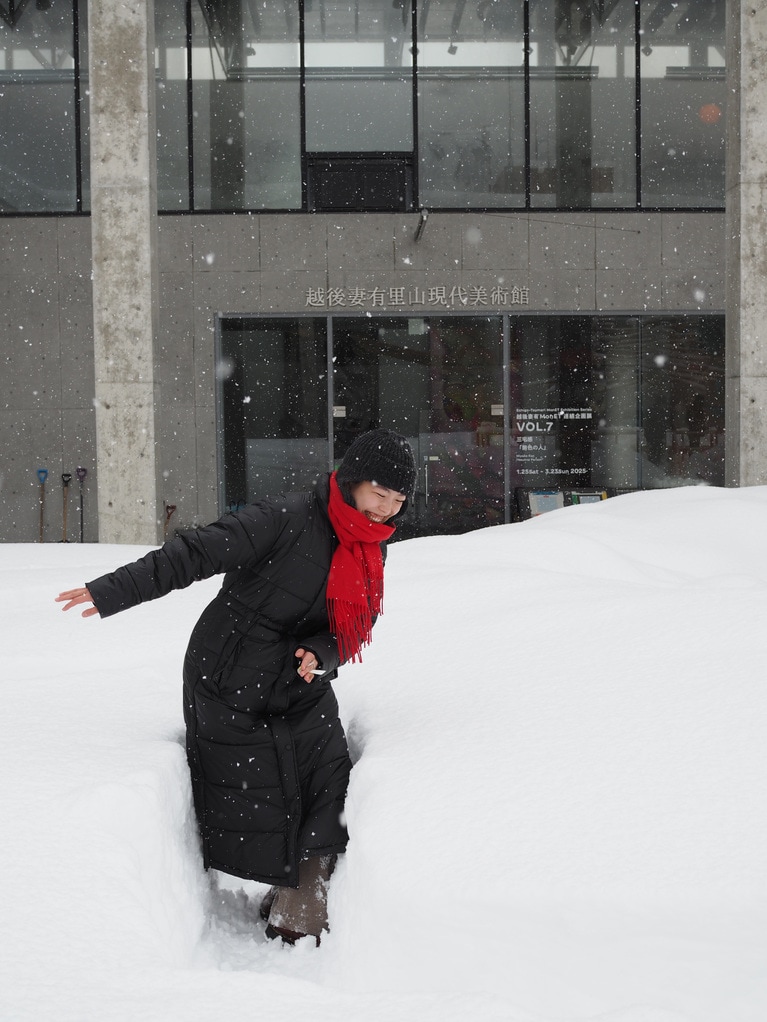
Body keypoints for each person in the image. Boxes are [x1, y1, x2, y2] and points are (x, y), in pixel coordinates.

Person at [56, 428, 417, 946]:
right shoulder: (286, 517)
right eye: (380, 494)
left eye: (398, 500)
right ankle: (284, 888)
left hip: (299, 678)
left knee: (329, 772)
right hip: (229, 674)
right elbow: (194, 553)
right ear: (354, 482)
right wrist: (111, 590)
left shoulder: (370, 548)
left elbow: (357, 622)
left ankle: (299, 906)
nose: (386, 510)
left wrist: (326, 652)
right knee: (267, 778)